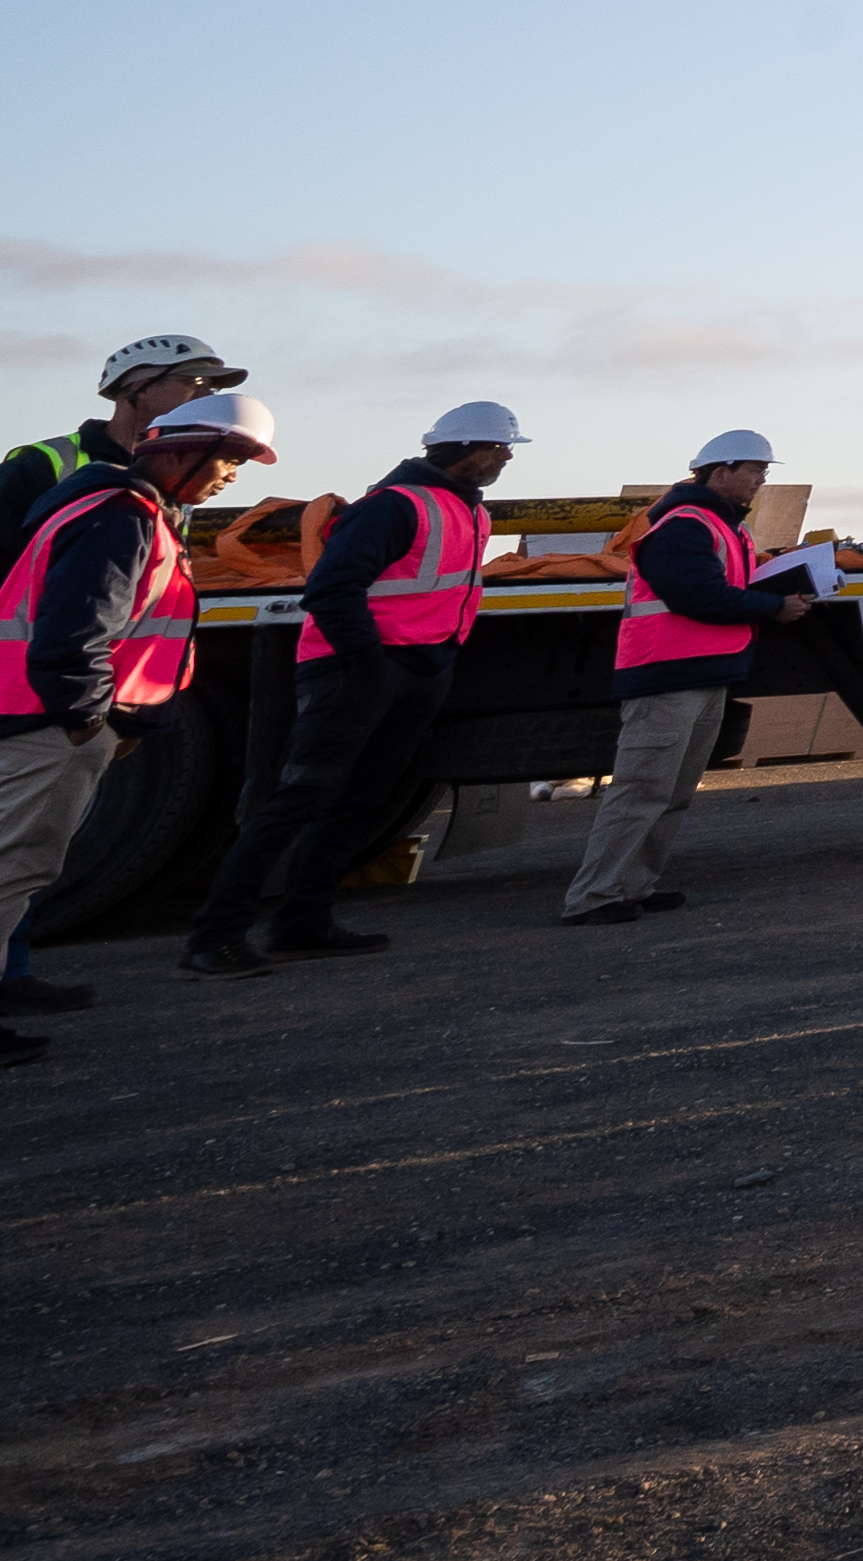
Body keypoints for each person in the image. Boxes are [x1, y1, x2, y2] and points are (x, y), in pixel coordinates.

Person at [183, 398, 518, 977]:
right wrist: (369, 663)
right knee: (299, 800)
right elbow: (333, 590)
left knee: (358, 801)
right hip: (359, 671)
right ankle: (215, 935)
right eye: (499, 448)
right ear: (467, 450)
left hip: (415, 670)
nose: (506, 458)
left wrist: (431, 661)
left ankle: (303, 923)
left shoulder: (468, 511)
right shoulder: (392, 506)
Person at [0, 390, 271, 1055]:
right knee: (12, 870)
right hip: (46, 724)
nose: (231, 477)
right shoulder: (122, 517)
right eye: (228, 461)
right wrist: (88, 718)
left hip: (37, 717)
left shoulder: (114, 508)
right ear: (179, 452)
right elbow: (76, 632)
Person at [567, 429, 814, 924]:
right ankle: (595, 896)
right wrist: (776, 606)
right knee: (642, 790)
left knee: (671, 792)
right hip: (667, 675)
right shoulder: (685, 525)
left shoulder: (723, 527)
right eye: (756, 471)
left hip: (700, 672)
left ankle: (632, 886)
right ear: (721, 473)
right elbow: (699, 596)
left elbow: (716, 589)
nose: (761, 481)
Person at [1, 331, 254, 558]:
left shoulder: (178, 468)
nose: (207, 397)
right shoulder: (43, 461)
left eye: (213, 388)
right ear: (141, 387)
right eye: (196, 382)